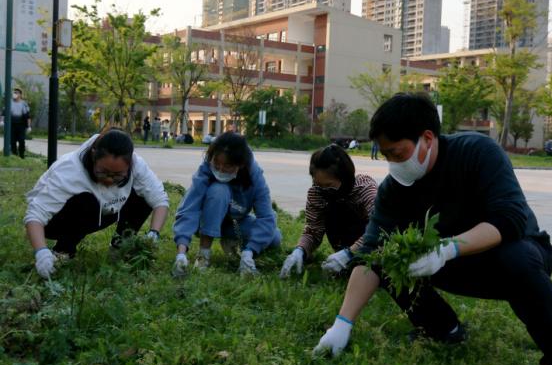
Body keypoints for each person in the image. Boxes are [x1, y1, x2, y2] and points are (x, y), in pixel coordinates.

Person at [313, 93, 552, 365]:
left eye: (398, 154)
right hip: (452, 265)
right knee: (391, 258)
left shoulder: (477, 151)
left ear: (427, 138)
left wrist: (449, 247)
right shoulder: (393, 191)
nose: (394, 164)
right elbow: (371, 252)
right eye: (387, 156)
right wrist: (342, 323)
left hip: (512, 257)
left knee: (517, 258)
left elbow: (510, 218)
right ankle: (443, 329)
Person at [23, 129, 169, 278]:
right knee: (86, 200)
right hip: (56, 221)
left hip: (104, 211)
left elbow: (160, 200)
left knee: (143, 196)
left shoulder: (137, 164)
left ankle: (120, 246)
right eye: (103, 172)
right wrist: (41, 252)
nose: (109, 179)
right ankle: (63, 251)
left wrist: (154, 233)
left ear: (130, 163)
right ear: (93, 155)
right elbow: (35, 215)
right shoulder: (70, 169)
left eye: (118, 175)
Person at [172, 132, 281, 276]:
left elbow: (266, 218)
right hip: (204, 222)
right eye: (217, 164)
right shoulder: (205, 169)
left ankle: (234, 243)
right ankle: (204, 255)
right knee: (218, 190)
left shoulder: (254, 176)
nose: (220, 170)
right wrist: (181, 252)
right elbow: (189, 208)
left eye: (227, 166)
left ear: (240, 164)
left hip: (234, 223)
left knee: (274, 236)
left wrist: (250, 251)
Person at [279, 145, 377, 278]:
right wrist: (300, 250)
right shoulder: (316, 193)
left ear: (344, 177)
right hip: (341, 246)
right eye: (318, 184)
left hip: (372, 246)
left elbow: (379, 230)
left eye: (329, 185)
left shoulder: (364, 189)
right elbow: (314, 230)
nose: (323, 190)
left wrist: (350, 253)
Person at [1, 88, 32, 158]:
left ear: (20, 95)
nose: (15, 94)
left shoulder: (24, 104)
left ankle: (22, 155)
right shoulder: (9, 103)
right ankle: (14, 155)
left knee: (21, 140)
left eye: (17, 93)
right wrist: (2, 121)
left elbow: (28, 116)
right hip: (11, 125)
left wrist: (29, 126)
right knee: (12, 141)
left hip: (21, 125)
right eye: (14, 92)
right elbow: (3, 113)